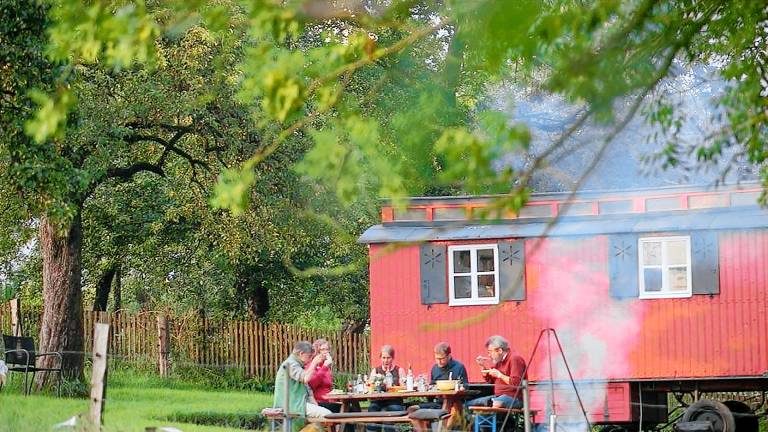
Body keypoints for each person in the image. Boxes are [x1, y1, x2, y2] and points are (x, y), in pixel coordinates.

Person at [273, 341, 332, 421]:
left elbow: (307, 388)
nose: (310, 359)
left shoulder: (297, 364)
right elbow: (305, 378)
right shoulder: (290, 364)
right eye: (309, 356)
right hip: (290, 404)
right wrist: (314, 363)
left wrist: (314, 402)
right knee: (327, 414)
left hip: (298, 403)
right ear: (301, 353)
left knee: (326, 414)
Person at [466, 335, 526, 409]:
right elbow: (490, 381)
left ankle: (490, 420)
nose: (489, 355)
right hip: (499, 396)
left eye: (490, 352)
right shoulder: (499, 361)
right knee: (468, 404)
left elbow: (516, 383)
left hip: (514, 398)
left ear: (500, 351)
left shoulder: (515, 359)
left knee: (495, 403)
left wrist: (500, 375)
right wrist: (482, 366)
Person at [367, 345, 406, 431]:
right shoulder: (375, 371)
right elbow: (369, 387)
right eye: (383, 357)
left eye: (388, 358)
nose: (386, 360)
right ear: (380, 358)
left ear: (393, 358)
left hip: (394, 402)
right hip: (378, 401)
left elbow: (405, 388)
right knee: (372, 409)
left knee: (390, 412)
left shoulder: (399, 370)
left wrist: (398, 386)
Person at [306, 338, 341, 413]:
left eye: (327, 349)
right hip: (317, 402)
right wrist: (324, 367)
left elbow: (327, 387)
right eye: (322, 349)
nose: (326, 352)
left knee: (351, 407)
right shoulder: (312, 365)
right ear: (316, 351)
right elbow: (311, 384)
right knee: (348, 410)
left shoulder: (326, 366)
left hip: (329, 401)